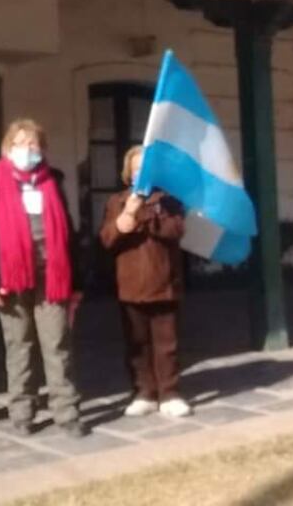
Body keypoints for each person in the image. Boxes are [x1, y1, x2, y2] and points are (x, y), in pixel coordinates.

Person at [0, 119, 87, 437]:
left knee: (57, 344)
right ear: (7, 148)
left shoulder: (53, 182)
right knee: (19, 346)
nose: (27, 149)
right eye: (20, 143)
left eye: (33, 143)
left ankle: (66, 412)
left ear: (43, 149)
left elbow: (69, 234)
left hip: (52, 278)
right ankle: (22, 412)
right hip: (10, 281)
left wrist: (77, 283)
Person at [99, 145, 191, 418]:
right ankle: (144, 392)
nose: (141, 172)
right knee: (137, 344)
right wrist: (125, 217)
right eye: (136, 168)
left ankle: (169, 393)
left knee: (166, 344)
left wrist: (149, 213)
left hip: (164, 284)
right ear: (128, 173)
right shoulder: (117, 201)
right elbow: (107, 239)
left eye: (146, 168)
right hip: (131, 286)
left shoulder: (170, 201)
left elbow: (176, 230)